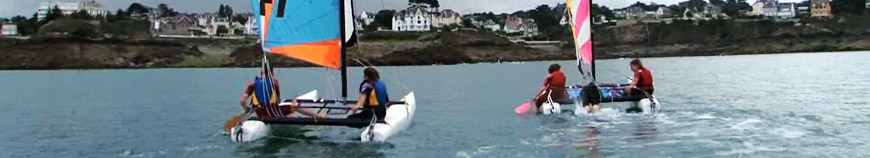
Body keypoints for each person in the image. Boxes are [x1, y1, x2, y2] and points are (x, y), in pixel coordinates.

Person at [240, 67, 326, 119]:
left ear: (261, 72)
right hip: (272, 112)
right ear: (271, 73)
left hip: (259, 113)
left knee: (286, 109)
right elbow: (278, 101)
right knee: (294, 107)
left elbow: (242, 101)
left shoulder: (252, 84)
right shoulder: (274, 82)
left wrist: (247, 109)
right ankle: (317, 116)